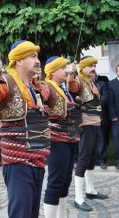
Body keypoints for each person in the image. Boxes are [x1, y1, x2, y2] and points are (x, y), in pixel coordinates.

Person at [0, 40, 50, 218]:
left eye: (37, 56)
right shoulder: (8, 81)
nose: (37, 61)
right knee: (21, 214)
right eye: (32, 56)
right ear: (19, 60)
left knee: (32, 213)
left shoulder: (34, 88)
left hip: (37, 159)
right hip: (18, 162)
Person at [43, 57, 82, 218]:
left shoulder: (63, 87)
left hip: (69, 139)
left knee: (65, 181)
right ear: (53, 71)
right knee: (56, 182)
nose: (66, 69)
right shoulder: (47, 87)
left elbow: (77, 88)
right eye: (62, 67)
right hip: (56, 140)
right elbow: (40, 100)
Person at [67, 56, 108, 212]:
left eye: (95, 66)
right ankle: (78, 197)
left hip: (96, 123)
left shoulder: (92, 82)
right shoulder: (79, 81)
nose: (93, 68)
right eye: (90, 66)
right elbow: (71, 86)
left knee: (92, 158)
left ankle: (90, 190)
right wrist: (71, 73)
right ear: (82, 68)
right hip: (86, 124)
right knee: (83, 159)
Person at [94, 74, 110, 169]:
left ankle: (102, 160)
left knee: (102, 139)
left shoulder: (102, 84)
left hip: (101, 116)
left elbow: (105, 98)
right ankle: (92, 159)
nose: (91, 76)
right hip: (87, 117)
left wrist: (93, 104)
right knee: (90, 139)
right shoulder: (82, 84)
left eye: (93, 75)